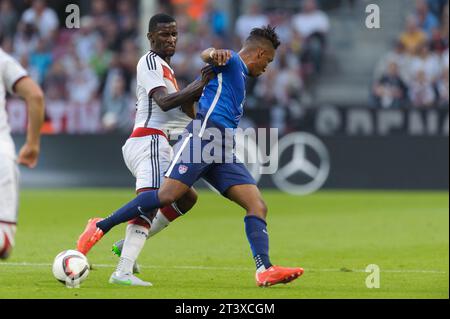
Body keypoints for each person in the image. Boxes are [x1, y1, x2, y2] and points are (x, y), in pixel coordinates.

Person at [77, 25, 304, 287]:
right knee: (167, 196)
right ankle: (100, 225)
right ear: (261, 54)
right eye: (269, 62)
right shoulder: (230, 61)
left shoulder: (239, 75)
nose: (267, 69)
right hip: (203, 136)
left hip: (221, 147)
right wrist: (213, 53)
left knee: (257, 205)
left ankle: (265, 269)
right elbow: (208, 54)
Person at [77, 13, 217, 286]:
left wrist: (202, 94)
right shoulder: (150, 61)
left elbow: (184, 109)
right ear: (151, 37)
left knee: (186, 197)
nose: (171, 39)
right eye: (165, 34)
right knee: (151, 203)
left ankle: (123, 243)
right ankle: (122, 269)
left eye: (174, 34)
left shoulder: (168, 71)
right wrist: (200, 83)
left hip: (157, 142)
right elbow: (164, 103)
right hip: (150, 141)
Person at [0, 47, 45, 259]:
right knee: (3, 244)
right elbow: (35, 95)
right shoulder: (3, 60)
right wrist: (32, 144)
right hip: (1, 156)